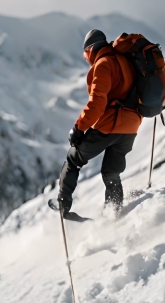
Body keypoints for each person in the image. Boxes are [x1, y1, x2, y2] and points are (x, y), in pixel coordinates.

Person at [51, 29, 144, 216]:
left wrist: (79, 128)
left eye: (85, 53)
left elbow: (97, 103)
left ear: (91, 49)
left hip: (111, 124)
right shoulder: (125, 61)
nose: (86, 58)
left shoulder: (103, 64)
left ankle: (63, 203)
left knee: (73, 158)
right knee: (111, 173)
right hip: (131, 126)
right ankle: (113, 214)